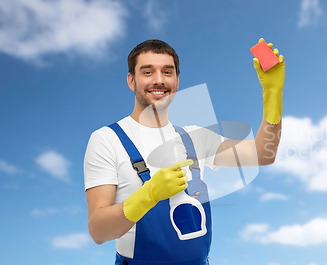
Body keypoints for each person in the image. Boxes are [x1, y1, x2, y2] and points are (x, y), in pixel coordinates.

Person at [84, 39, 284, 265]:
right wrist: (148, 195)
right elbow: (98, 231)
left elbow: (262, 154)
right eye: (147, 72)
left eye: (167, 72)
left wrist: (273, 94)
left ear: (177, 80)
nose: (159, 80)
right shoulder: (107, 140)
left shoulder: (195, 138)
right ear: (132, 80)